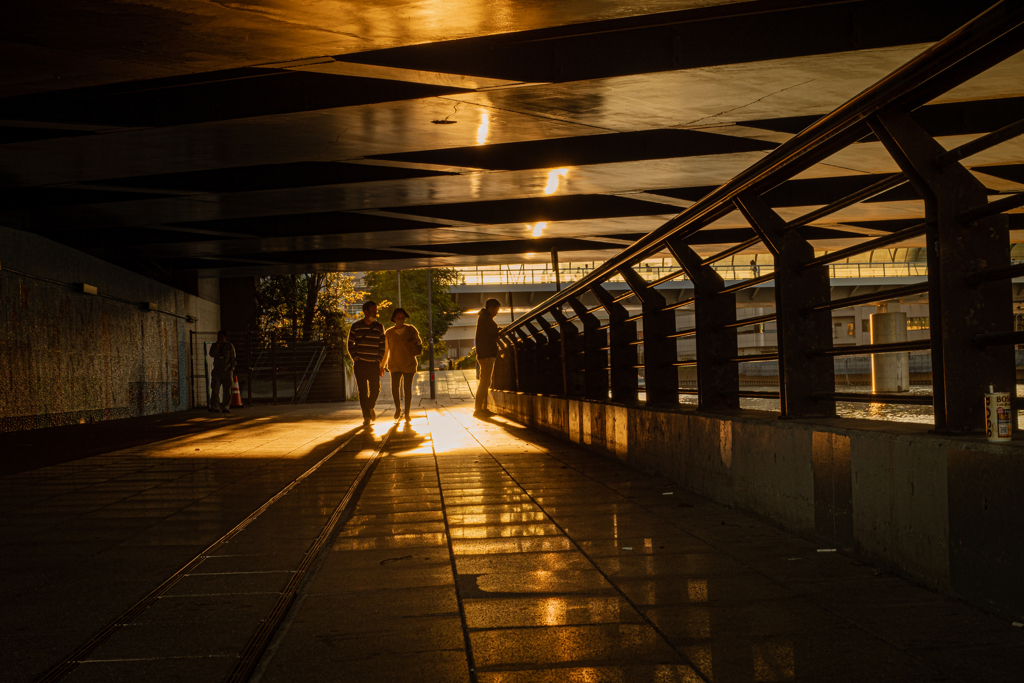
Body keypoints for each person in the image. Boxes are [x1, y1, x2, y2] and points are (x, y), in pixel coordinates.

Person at [347, 300, 386, 425]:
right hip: (360, 364)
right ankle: (366, 417)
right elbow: (350, 344)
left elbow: (382, 345)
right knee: (362, 391)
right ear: (366, 312)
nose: (375, 313)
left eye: (376, 311)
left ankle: (370, 407)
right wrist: (355, 357)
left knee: (375, 389)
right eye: (373, 311)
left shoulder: (379, 327)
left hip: (373, 363)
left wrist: (378, 360)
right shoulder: (356, 326)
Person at [383, 307, 422, 422]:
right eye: (398, 318)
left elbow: (419, 342)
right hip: (394, 363)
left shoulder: (411, 329)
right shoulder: (389, 333)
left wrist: (414, 342)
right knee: (395, 387)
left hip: (409, 363)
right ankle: (398, 408)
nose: (400, 320)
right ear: (394, 319)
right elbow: (385, 350)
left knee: (407, 389)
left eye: (403, 318)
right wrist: (382, 364)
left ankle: (407, 413)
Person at [473, 298, 501, 417]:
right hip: (487, 354)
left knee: (484, 381)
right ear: (491, 308)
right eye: (496, 309)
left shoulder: (483, 318)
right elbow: (491, 335)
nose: (497, 313)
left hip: (484, 354)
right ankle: (479, 408)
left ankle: (482, 407)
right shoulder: (486, 319)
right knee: (485, 382)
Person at [209, 330, 236, 414]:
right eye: (218, 337)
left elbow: (233, 358)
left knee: (227, 390)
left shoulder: (229, 346)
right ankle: (216, 406)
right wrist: (217, 346)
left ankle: (225, 407)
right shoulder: (215, 345)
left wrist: (231, 368)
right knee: (215, 389)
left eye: (222, 337)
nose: (219, 339)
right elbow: (211, 354)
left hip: (227, 370)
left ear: (225, 337)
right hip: (217, 370)